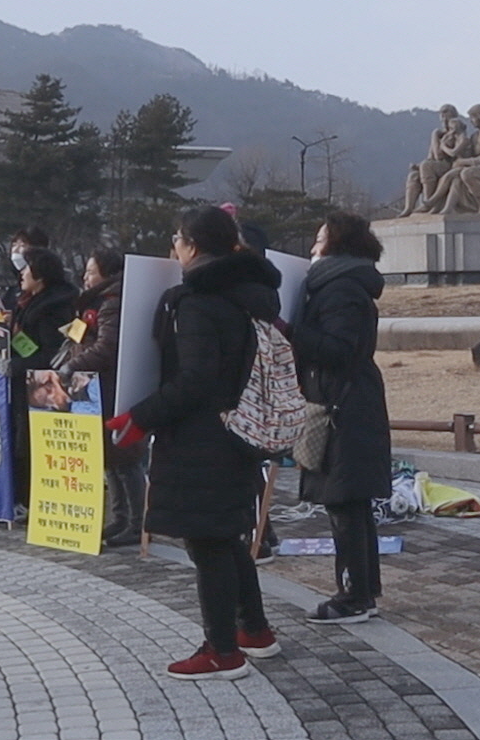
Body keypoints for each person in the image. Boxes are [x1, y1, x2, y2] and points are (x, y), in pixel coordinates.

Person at [107, 206, 281, 680]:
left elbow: (197, 380)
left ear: (195, 246)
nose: (174, 249)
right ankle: (255, 631)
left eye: (178, 239)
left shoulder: (198, 301)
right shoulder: (250, 295)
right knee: (227, 536)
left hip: (203, 439)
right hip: (240, 432)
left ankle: (222, 651)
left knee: (207, 544)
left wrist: (141, 416)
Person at [288, 212, 392, 623]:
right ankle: (363, 589)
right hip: (345, 402)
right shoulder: (339, 285)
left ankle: (353, 596)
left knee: (344, 499)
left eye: (319, 239)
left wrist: (288, 330)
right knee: (350, 502)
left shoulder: (341, 289)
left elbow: (339, 350)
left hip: (344, 408)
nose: (312, 248)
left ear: (337, 245)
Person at [61, 249, 141, 547]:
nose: (85, 277)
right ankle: (119, 518)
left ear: (106, 275)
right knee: (109, 458)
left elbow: (107, 347)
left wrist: (73, 366)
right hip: (95, 388)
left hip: (110, 387)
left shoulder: (112, 304)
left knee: (124, 458)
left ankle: (135, 523)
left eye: (91, 272)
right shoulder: (94, 302)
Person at [8, 247, 78, 507]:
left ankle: (32, 501)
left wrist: (18, 365)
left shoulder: (53, 306)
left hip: (39, 390)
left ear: (41, 275)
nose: (21, 273)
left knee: (31, 447)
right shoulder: (26, 301)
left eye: (26, 268)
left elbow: (51, 355)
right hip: (20, 383)